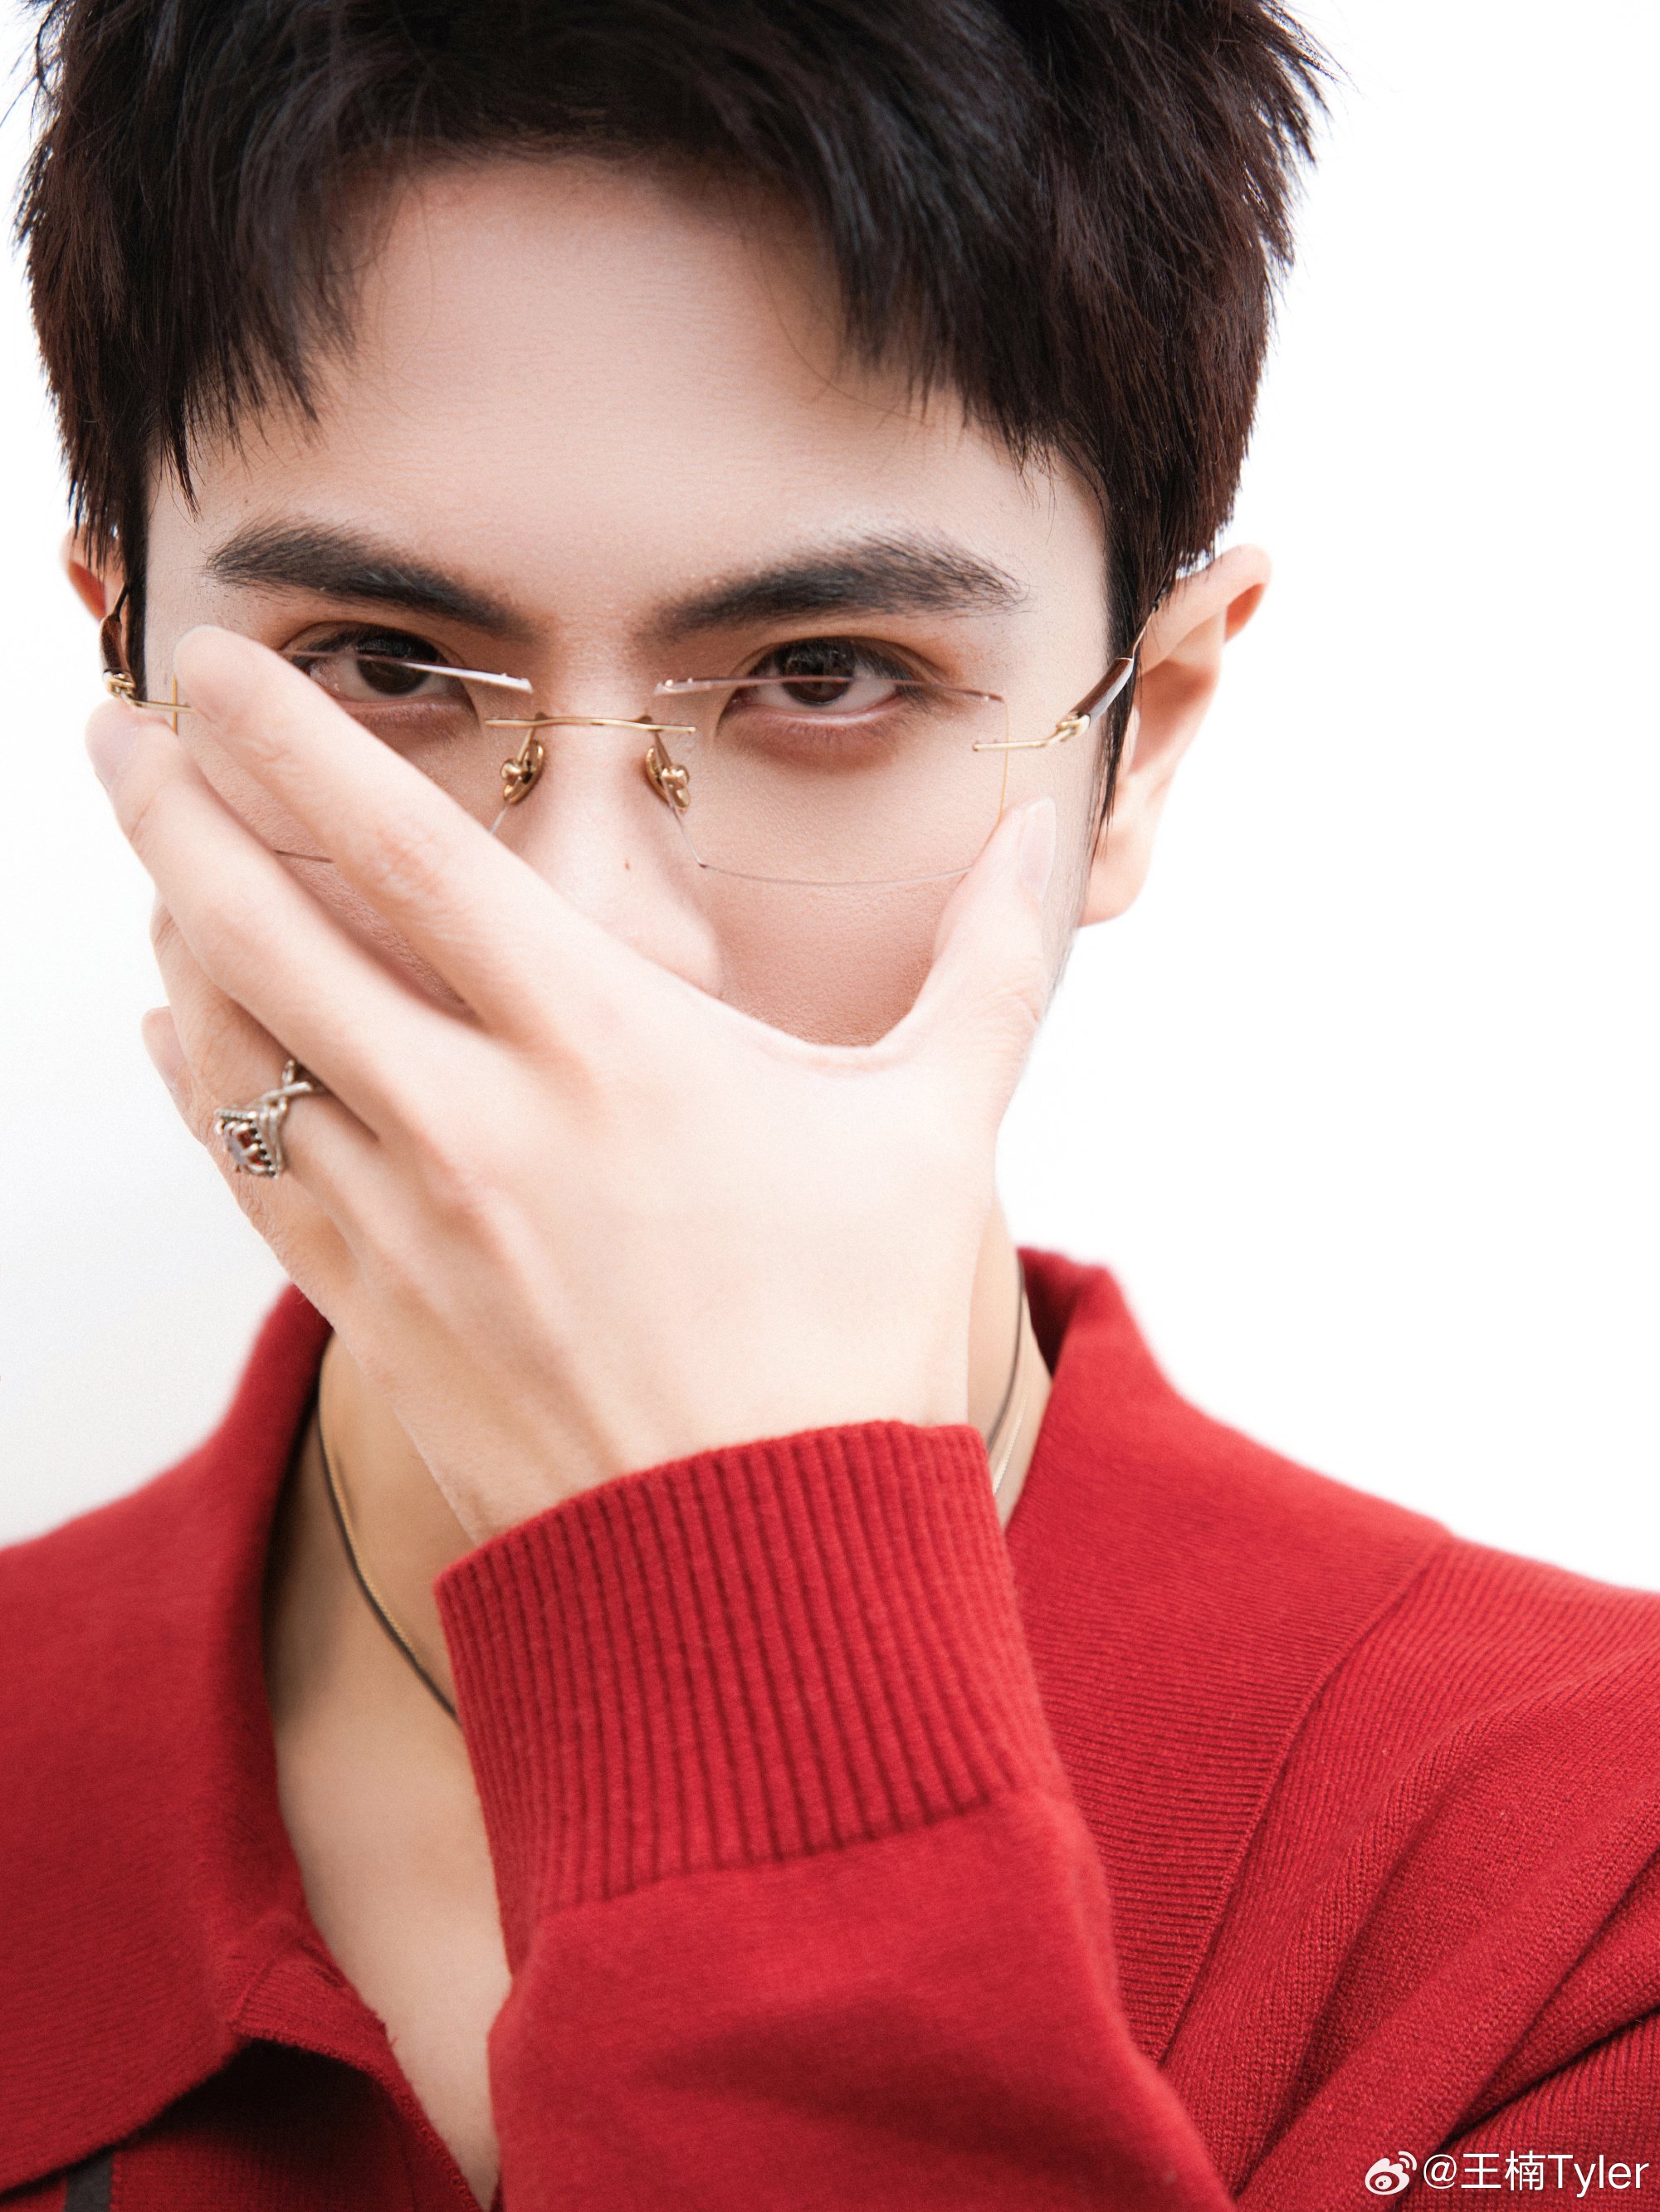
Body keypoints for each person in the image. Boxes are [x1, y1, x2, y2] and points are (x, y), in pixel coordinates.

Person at [2, 2, 1657, 2207]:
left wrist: (726, 1593)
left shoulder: (1583, 1878)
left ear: (1142, 739)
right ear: (123, 667)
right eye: (381, 669)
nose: (586, 921)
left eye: (825, 678)